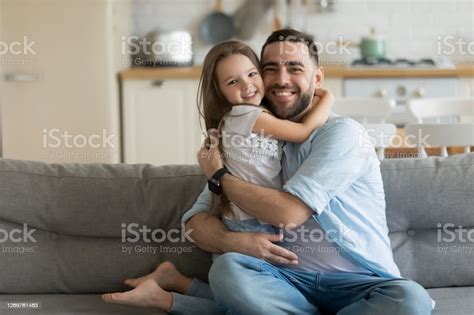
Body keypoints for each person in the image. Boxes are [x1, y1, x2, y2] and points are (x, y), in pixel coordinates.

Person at [184, 29, 434, 314]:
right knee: (227, 270)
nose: (281, 79)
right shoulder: (249, 147)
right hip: (285, 281)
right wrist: (232, 240)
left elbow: (287, 215)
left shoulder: (342, 133)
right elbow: (194, 224)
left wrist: (219, 176)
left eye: (295, 68)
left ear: (317, 79)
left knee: (411, 301)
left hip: (358, 284)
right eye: (270, 69)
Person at [102, 39, 333, 313]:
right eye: (233, 82)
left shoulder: (249, 118)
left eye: (251, 74)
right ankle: (165, 297)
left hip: (247, 222)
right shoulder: (247, 116)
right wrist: (326, 97)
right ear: (220, 92)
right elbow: (302, 132)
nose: (247, 86)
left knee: (253, 300)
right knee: (254, 301)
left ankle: (172, 283)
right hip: (250, 228)